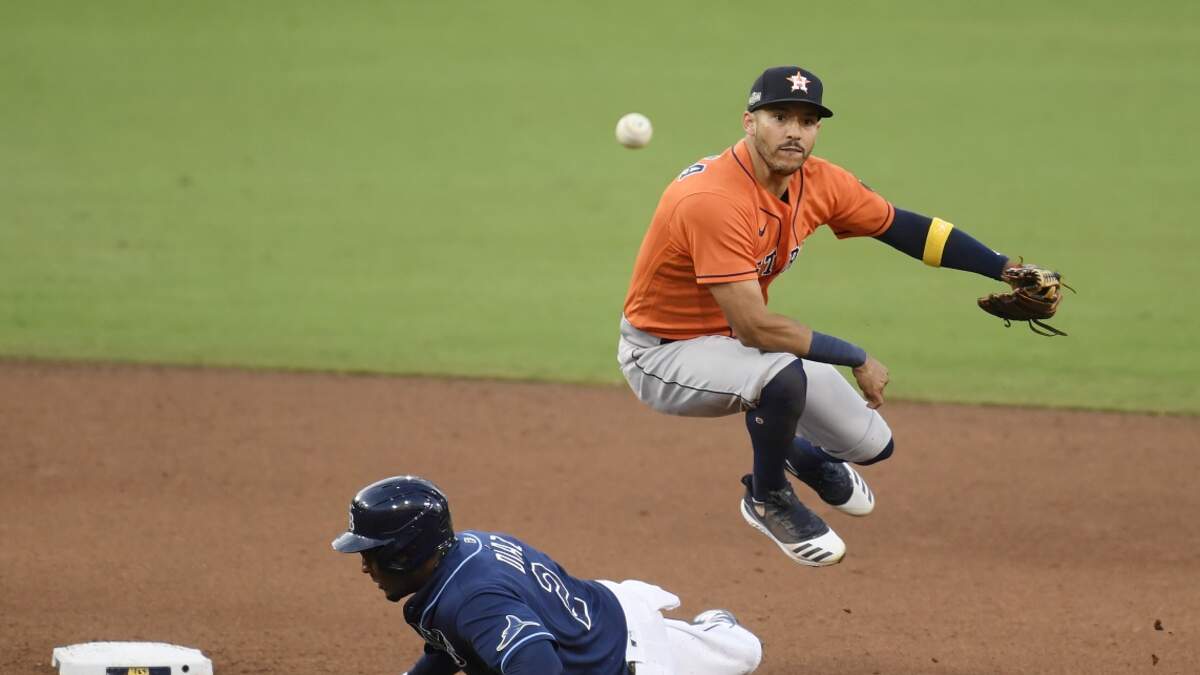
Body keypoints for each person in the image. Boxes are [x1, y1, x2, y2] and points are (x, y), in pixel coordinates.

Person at [618, 65, 1060, 567]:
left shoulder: (818, 181)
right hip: (664, 353)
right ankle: (767, 497)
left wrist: (1004, 269)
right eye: (780, 117)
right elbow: (755, 328)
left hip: (735, 344)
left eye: (807, 121)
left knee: (871, 445)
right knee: (780, 376)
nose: (794, 132)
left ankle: (795, 451)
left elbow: (904, 228)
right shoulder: (712, 201)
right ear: (749, 122)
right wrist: (855, 356)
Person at [331, 475, 763, 675]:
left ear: (407, 552)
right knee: (739, 654)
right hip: (599, 617)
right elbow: (449, 648)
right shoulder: (464, 551)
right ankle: (714, 632)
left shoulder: (472, 599)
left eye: (372, 554)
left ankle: (717, 628)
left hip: (629, 657)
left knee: (744, 653)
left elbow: (538, 665)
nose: (365, 566)